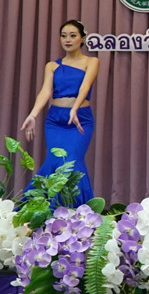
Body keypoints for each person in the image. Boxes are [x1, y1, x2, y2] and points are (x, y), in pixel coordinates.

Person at [19, 19, 99, 206]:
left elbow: (85, 86)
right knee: (55, 160)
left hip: (80, 119)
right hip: (55, 121)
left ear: (82, 38)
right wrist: (33, 115)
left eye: (72, 35)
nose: (67, 40)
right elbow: (45, 91)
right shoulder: (52, 66)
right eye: (63, 36)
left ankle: (76, 210)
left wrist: (75, 108)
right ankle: (40, 208)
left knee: (72, 162)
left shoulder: (91, 61)